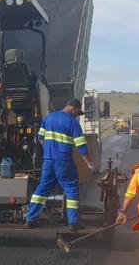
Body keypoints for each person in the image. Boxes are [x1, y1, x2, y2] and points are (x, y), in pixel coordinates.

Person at [26, 99, 95, 231]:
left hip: (48, 160)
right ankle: (74, 222)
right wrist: (89, 163)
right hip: (64, 161)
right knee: (71, 189)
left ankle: (30, 219)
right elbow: (81, 146)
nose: (76, 116)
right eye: (77, 113)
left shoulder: (48, 118)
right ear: (72, 108)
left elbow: (40, 138)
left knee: (42, 190)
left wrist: (49, 149)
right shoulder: (72, 123)